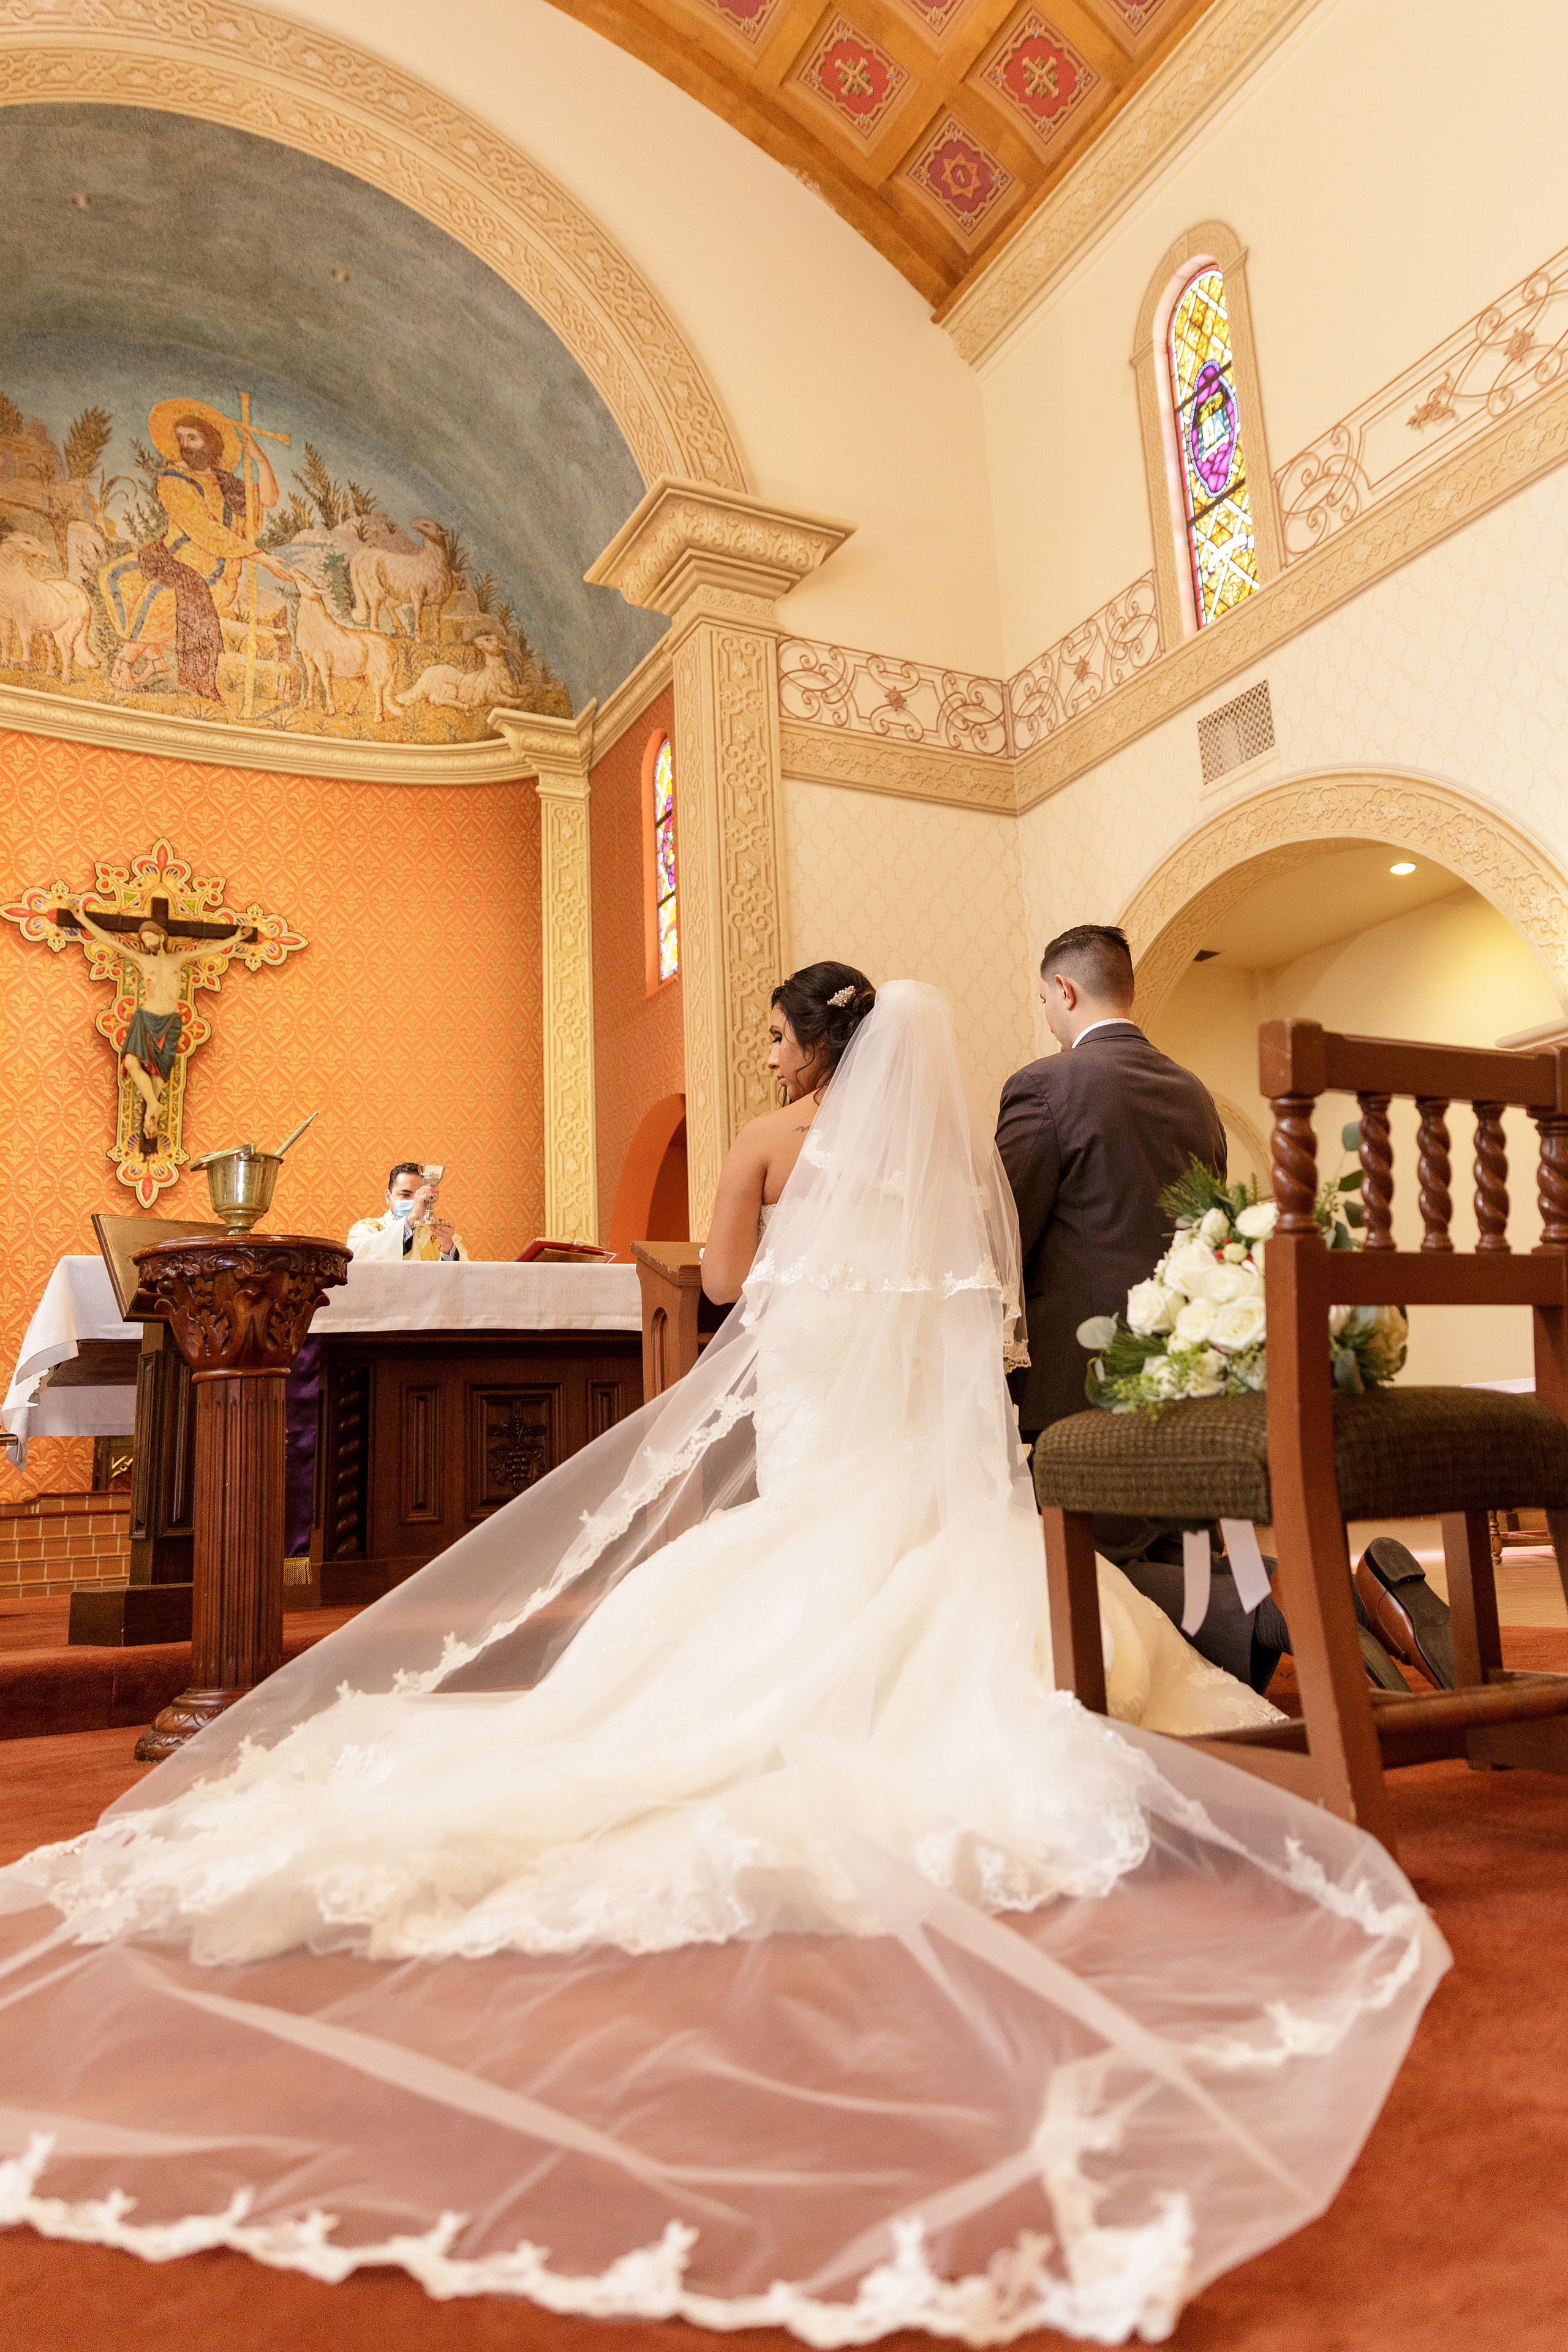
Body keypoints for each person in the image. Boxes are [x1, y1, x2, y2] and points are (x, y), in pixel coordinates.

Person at [0, 970, 1446, 2345]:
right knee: (956, 1579)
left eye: (769, 1033)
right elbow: (976, 1296)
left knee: (724, 1595)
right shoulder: (948, 1152)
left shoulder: (765, 1139)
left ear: (812, 1045)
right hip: (936, 1447)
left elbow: (731, 1278)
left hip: (819, 1406)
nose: (764, 1056)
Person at [995, 921, 1450, 1694]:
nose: (1046, 1015)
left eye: (1044, 1000)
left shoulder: (1043, 1086)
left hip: (1085, 1374)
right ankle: (1358, 1586)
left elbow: (1006, 1233)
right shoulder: (1191, 1092)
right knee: (1175, 1549)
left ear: (1064, 992)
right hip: (1186, 1365)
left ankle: (1282, 1615)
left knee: (1088, 1562)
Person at [72, 906, 247, 1142]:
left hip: (171, 1020)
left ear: (162, 937)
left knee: (160, 1073)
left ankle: (150, 1117)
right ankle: (155, 1105)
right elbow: (110, 941)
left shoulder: (178, 958)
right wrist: (81, 918)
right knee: (132, 1061)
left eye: (150, 936)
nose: (146, 941)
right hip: (145, 1017)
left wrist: (236, 937)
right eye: (143, 938)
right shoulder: (142, 959)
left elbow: (208, 949)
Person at [348, 1161, 466, 1262]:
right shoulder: (366, 1229)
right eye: (405, 1195)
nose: (416, 1202)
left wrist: (447, 1249)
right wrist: (411, 1218)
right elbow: (356, 1261)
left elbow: (463, 1279)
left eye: (420, 1195)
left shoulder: (443, 1236)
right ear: (388, 1197)